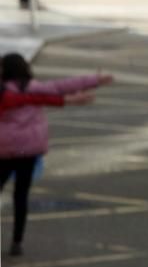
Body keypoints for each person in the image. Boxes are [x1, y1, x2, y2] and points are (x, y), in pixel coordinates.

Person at [0, 52, 112, 256]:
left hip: (5, 149)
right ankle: (17, 241)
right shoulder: (36, 88)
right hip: (29, 149)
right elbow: (63, 85)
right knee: (21, 195)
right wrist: (94, 80)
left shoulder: (4, 91)